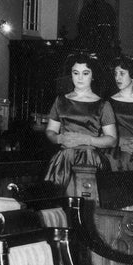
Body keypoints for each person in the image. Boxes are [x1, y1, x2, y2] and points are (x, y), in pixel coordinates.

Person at [45, 52, 117, 193]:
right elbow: (50, 131)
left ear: (93, 75)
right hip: (64, 161)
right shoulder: (60, 101)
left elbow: (112, 140)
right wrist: (59, 138)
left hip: (90, 161)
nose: (80, 78)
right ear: (70, 74)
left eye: (85, 73)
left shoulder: (103, 105)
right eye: (75, 73)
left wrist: (87, 139)